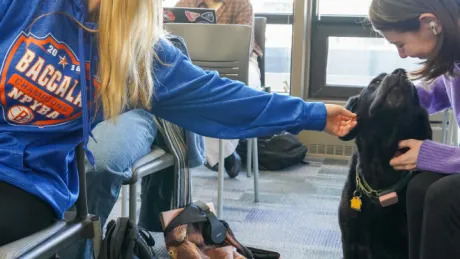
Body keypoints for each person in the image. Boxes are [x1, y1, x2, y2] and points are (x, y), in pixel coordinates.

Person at [0, 0, 357, 251]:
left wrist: (315, 115)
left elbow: (226, 100)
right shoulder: (28, 6)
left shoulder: (141, 55)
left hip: (26, 182)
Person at [368, 0, 460, 258]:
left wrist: (431, 154)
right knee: (420, 187)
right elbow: (439, 91)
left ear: (430, 23)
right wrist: (390, 101)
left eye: (400, 44)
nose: (402, 55)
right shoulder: (454, 59)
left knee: (446, 196)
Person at [175, 0, 264, 177]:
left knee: (232, 90)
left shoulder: (241, 4)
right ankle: (225, 153)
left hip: (238, 61)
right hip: (196, 63)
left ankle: (220, 152)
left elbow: (243, 45)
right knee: (186, 92)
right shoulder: (184, 4)